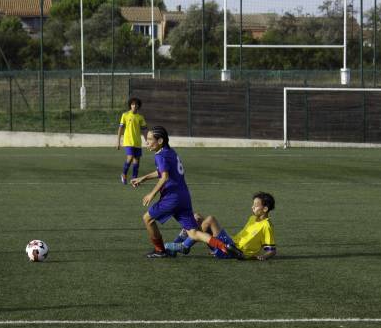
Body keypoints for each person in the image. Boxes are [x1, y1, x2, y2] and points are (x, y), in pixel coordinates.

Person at [131, 126, 208, 258]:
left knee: (147, 219)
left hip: (172, 196)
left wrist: (152, 193)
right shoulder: (170, 151)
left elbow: (164, 176)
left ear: (160, 140)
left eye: (150, 139)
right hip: (183, 194)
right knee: (193, 231)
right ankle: (220, 244)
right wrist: (143, 178)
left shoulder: (160, 156)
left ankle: (160, 250)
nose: (147, 142)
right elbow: (163, 171)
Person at [167, 192, 277, 261]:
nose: (252, 207)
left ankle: (184, 246)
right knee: (197, 217)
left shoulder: (266, 225)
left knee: (210, 219)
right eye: (253, 204)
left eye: (256, 205)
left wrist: (264, 256)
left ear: (265, 209)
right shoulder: (252, 218)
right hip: (229, 244)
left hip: (234, 251)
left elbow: (271, 250)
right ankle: (180, 245)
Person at [117, 97, 147, 185]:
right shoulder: (125, 115)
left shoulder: (140, 117)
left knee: (136, 162)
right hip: (128, 141)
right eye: (132, 104)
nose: (134, 106)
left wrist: (147, 141)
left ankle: (134, 180)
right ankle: (124, 174)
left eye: (136, 104)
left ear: (138, 106)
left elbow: (144, 130)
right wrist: (118, 141)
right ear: (130, 105)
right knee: (130, 158)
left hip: (137, 142)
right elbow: (120, 128)